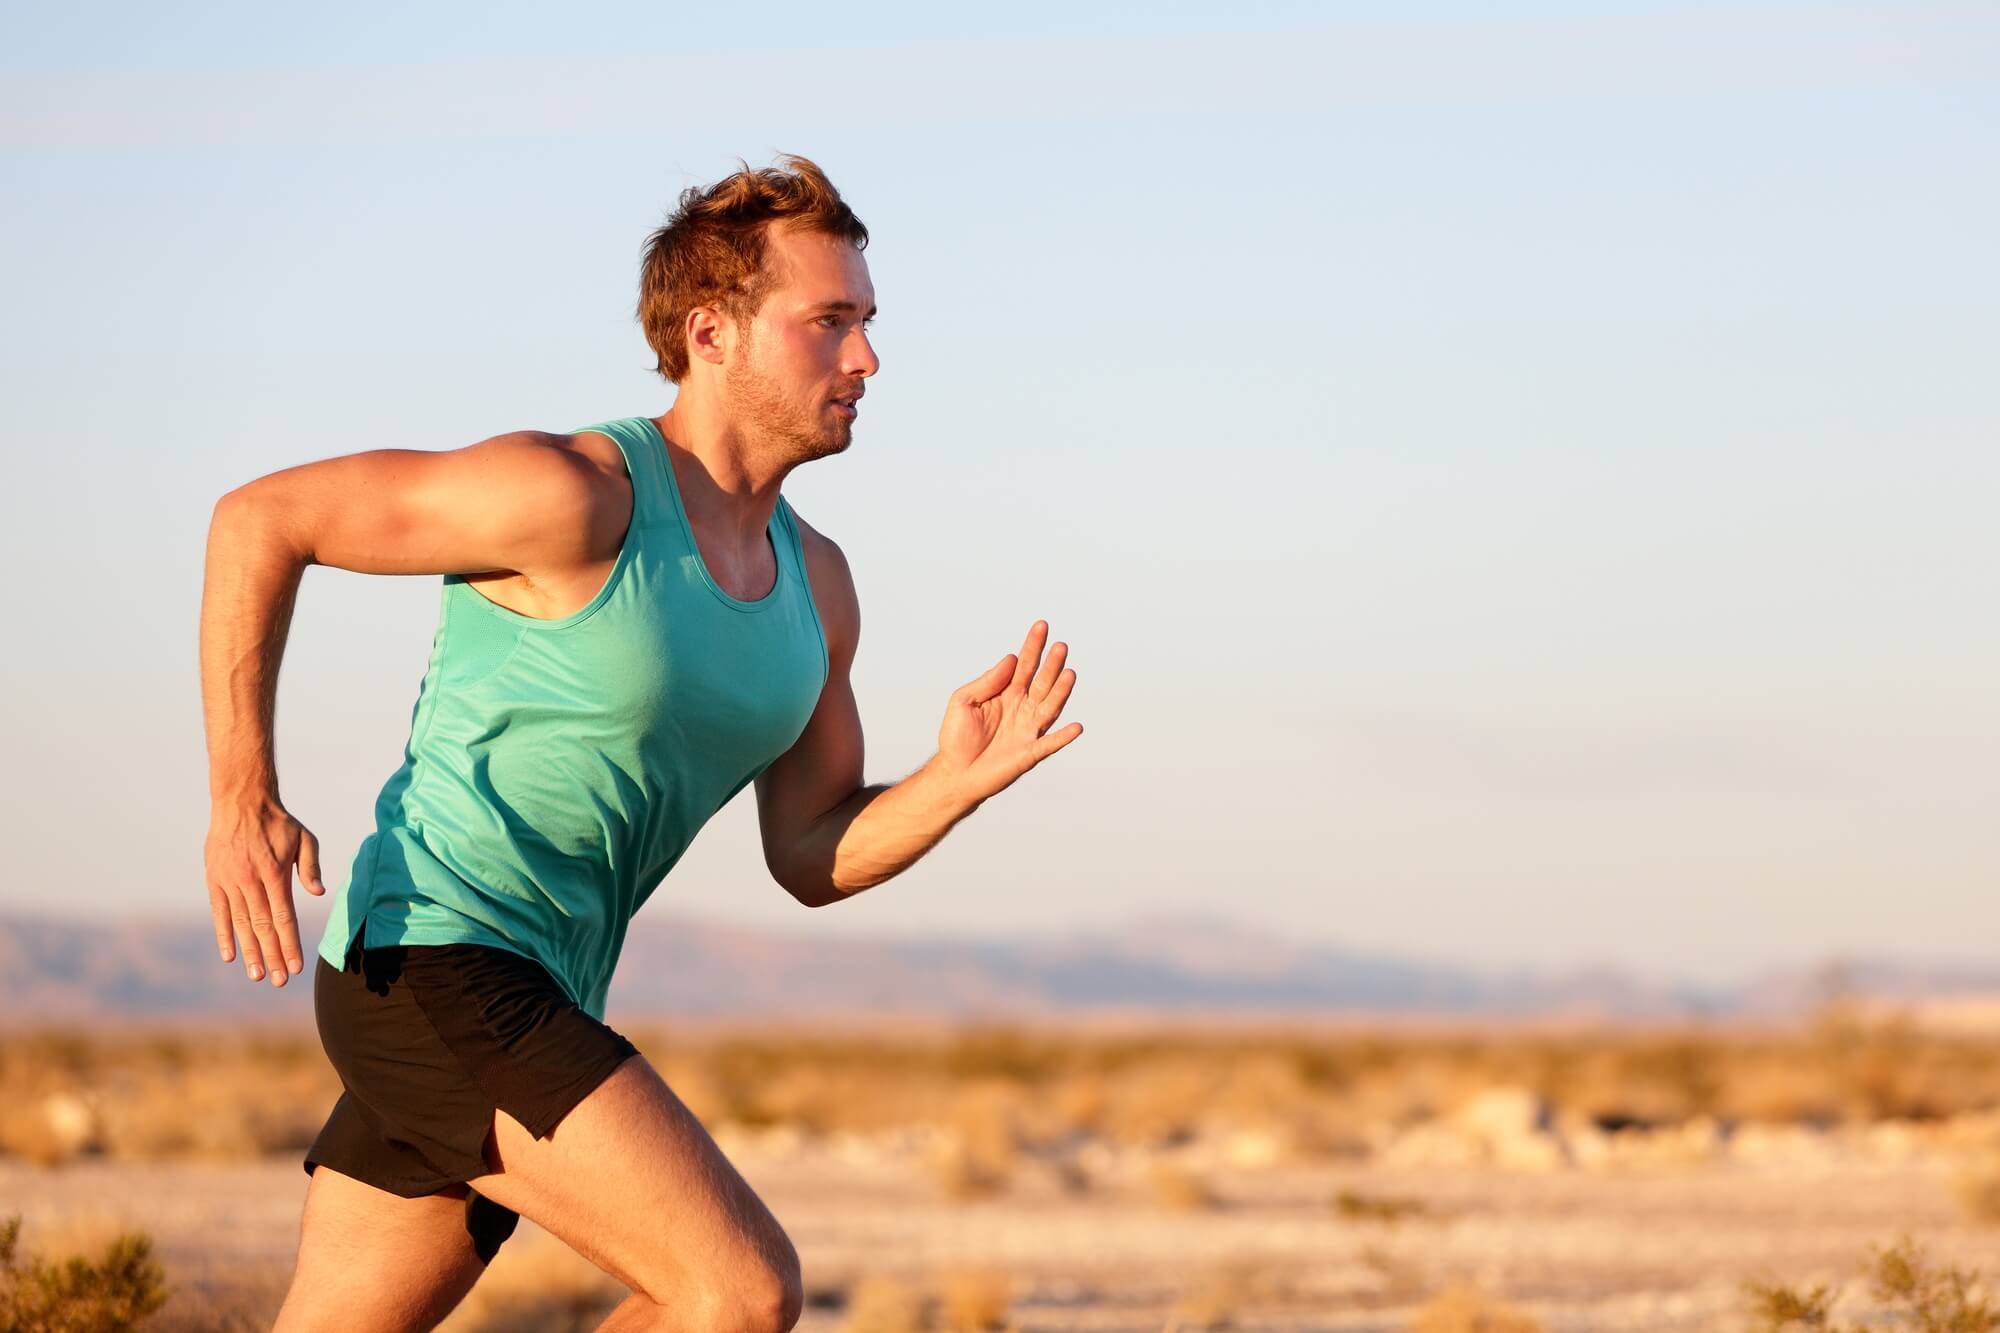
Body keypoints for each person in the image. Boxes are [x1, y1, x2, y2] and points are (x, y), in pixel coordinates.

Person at [198, 154, 1082, 1333]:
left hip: (539, 984)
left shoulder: (816, 587)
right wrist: (241, 791)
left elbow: (811, 850)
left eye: (866, 323)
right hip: (432, 962)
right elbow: (262, 518)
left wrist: (949, 783)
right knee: (736, 1289)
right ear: (710, 332)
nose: (865, 359)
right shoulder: (570, 495)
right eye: (829, 323)